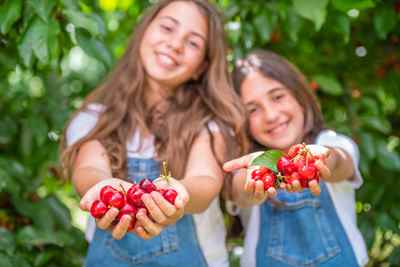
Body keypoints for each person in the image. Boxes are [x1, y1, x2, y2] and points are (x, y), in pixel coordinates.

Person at [61, 1, 248, 266]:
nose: (175, 44)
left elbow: (204, 179)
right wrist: (103, 188)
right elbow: (89, 168)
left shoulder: (207, 123)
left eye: (193, 43)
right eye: (167, 28)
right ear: (144, 30)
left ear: (201, 67)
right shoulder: (95, 118)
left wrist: (178, 194)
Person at [223, 50, 368, 267]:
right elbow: (239, 188)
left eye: (278, 97)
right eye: (252, 110)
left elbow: (340, 161)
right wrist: (257, 177)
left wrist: (317, 159)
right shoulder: (246, 163)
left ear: (299, 96)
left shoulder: (330, 141)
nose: (271, 115)